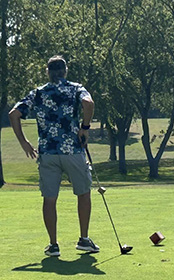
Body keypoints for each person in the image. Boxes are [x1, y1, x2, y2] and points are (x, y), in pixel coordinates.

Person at [9, 55, 99, 256]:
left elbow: (14, 114)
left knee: (49, 198)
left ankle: (53, 245)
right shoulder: (76, 88)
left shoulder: (38, 93)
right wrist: (84, 128)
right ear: (65, 71)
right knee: (83, 193)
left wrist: (24, 142)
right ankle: (84, 240)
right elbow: (88, 103)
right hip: (73, 151)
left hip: (48, 153)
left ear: (47, 72)